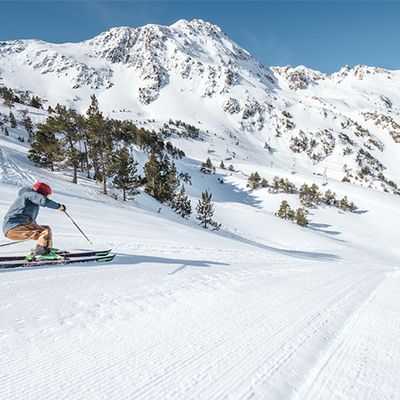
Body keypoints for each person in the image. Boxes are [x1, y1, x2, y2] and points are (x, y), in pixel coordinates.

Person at [2, 182, 66, 258]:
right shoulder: (30, 194)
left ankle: (47, 248)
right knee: (44, 232)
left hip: (15, 226)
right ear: (42, 192)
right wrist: (59, 206)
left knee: (46, 229)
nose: (47, 197)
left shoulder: (29, 199)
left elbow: (29, 219)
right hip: (15, 225)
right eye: (47, 195)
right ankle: (41, 252)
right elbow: (44, 201)